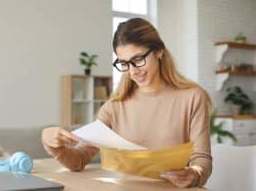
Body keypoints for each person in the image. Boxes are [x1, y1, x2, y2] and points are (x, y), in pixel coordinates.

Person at [41, 18, 212, 188]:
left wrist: (195, 174)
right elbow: (78, 160)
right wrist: (52, 145)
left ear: (159, 51)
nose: (132, 71)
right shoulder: (114, 107)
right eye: (124, 63)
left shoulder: (192, 97)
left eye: (138, 60)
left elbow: (201, 159)